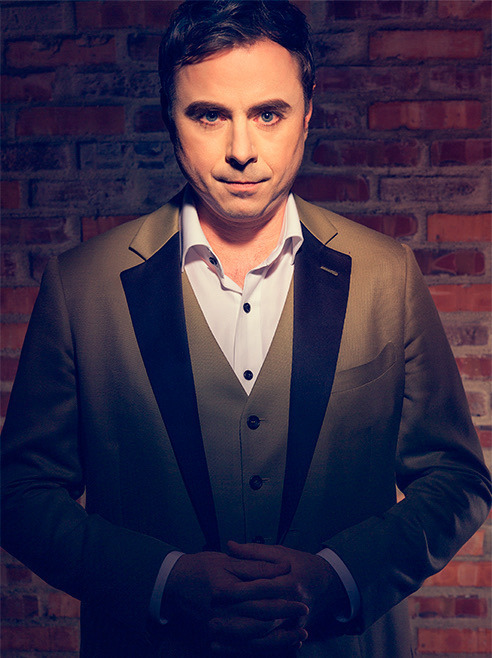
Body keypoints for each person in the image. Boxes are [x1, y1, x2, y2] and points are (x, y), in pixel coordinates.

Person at [2, 1, 490, 656]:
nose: (240, 150)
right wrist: (164, 582)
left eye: (268, 113)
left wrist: (338, 578)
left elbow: (457, 480)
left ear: (308, 114)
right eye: (209, 115)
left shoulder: (387, 274)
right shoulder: (80, 285)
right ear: (169, 119)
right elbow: (21, 494)